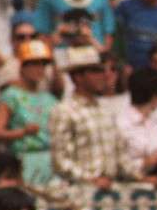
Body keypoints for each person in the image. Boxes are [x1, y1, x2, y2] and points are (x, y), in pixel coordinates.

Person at [48, 46, 141, 187]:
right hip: (78, 191)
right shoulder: (64, 111)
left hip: (110, 189)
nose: (103, 76)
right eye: (96, 71)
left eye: (102, 70)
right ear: (78, 77)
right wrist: (90, 179)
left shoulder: (105, 111)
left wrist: (140, 177)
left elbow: (120, 155)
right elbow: (60, 161)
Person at [0, 40, 58, 186]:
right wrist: (22, 132)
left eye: (43, 64)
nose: (39, 69)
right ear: (22, 66)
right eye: (34, 64)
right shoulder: (11, 95)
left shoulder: (50, 98)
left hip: (50, 159)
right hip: (23, 159)